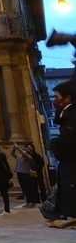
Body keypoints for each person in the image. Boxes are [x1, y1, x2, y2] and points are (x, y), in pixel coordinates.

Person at [51, 80, 76, 219]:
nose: (55, 100)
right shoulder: (66, 115)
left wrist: (54, 143)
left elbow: (66, 145)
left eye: (56, 96)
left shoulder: (71, 117)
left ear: (67, 98)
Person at [11, 141, 39, 208]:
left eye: (27, 149)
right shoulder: (20, 157)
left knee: (29, 188)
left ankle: (32, 202)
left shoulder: (29, 157)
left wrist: (18, 147)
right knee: (24, 188)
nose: (25, 150)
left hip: (26, 174)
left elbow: (24, 154)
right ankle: (28, 201)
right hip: (20, 173)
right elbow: (12, 154)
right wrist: (14, 148)